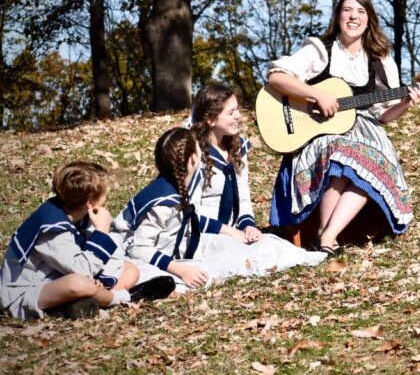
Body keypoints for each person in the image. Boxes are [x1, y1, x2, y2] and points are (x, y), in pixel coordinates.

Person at [267, 0, 420, 255]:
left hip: (366, 132)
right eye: (348, 10)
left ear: (369, 19)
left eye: (361, 11)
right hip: (320, 133)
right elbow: (276, 77)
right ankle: (325, 236)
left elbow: (383, 115)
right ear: (338, 16)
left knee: (373, 160)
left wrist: (405, 103)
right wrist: (317, 94)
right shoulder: (320, 50)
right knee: (339, 151)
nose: (354, 16)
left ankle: (326, 236)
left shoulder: (380, 60)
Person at [113, 128, 325, 291]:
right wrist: (180, 269)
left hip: (178, 250)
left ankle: (298, 256)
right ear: (193, 160)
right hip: (148, 257)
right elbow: (138, 247)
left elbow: (190, 218)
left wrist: (230, 230)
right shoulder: (163, 200)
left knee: (254, 246)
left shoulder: (182, 183)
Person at [1, 162, 174, 320]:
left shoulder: (79, 214)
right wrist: (101, 232)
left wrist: (98, 276)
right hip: (26, 291)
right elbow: (81, 270)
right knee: (78, 283)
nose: (107, 197)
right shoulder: (51, 228)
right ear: (90, 202)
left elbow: (89, 259)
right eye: (105, 192)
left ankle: (79, 304)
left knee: (130, 270)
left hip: (62, 273)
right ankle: (124, 297)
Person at [190, 83, 260, 242]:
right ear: (210, 119)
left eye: (237, 110)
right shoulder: (193, 154)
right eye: (231, 112)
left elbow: (242, 193)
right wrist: (227, 232)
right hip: (203, 234)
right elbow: (188, 212)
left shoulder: (238, 146)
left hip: (234, 231)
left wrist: (248, 224)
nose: (238, 116)